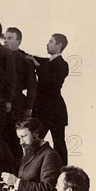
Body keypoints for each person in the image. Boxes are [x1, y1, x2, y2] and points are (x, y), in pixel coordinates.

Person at [27, 34, 70, 165]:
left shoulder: (63, 65)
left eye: (51, 42)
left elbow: (51, 82)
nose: (47, 44)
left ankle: (64, 172)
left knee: (59, 143)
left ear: (59, 45)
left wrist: (37, 66)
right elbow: (29, 57)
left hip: (56, 111)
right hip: (42, 110)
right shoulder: (46, 62)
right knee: (34, 141)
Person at [4, 27, 37, 158]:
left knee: (16, 138)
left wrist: (29, 108)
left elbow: (32, 87)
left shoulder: (25, 60)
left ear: (19, 41)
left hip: (16, 103)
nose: (5, 41)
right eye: (4, 38)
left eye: (10, 38)